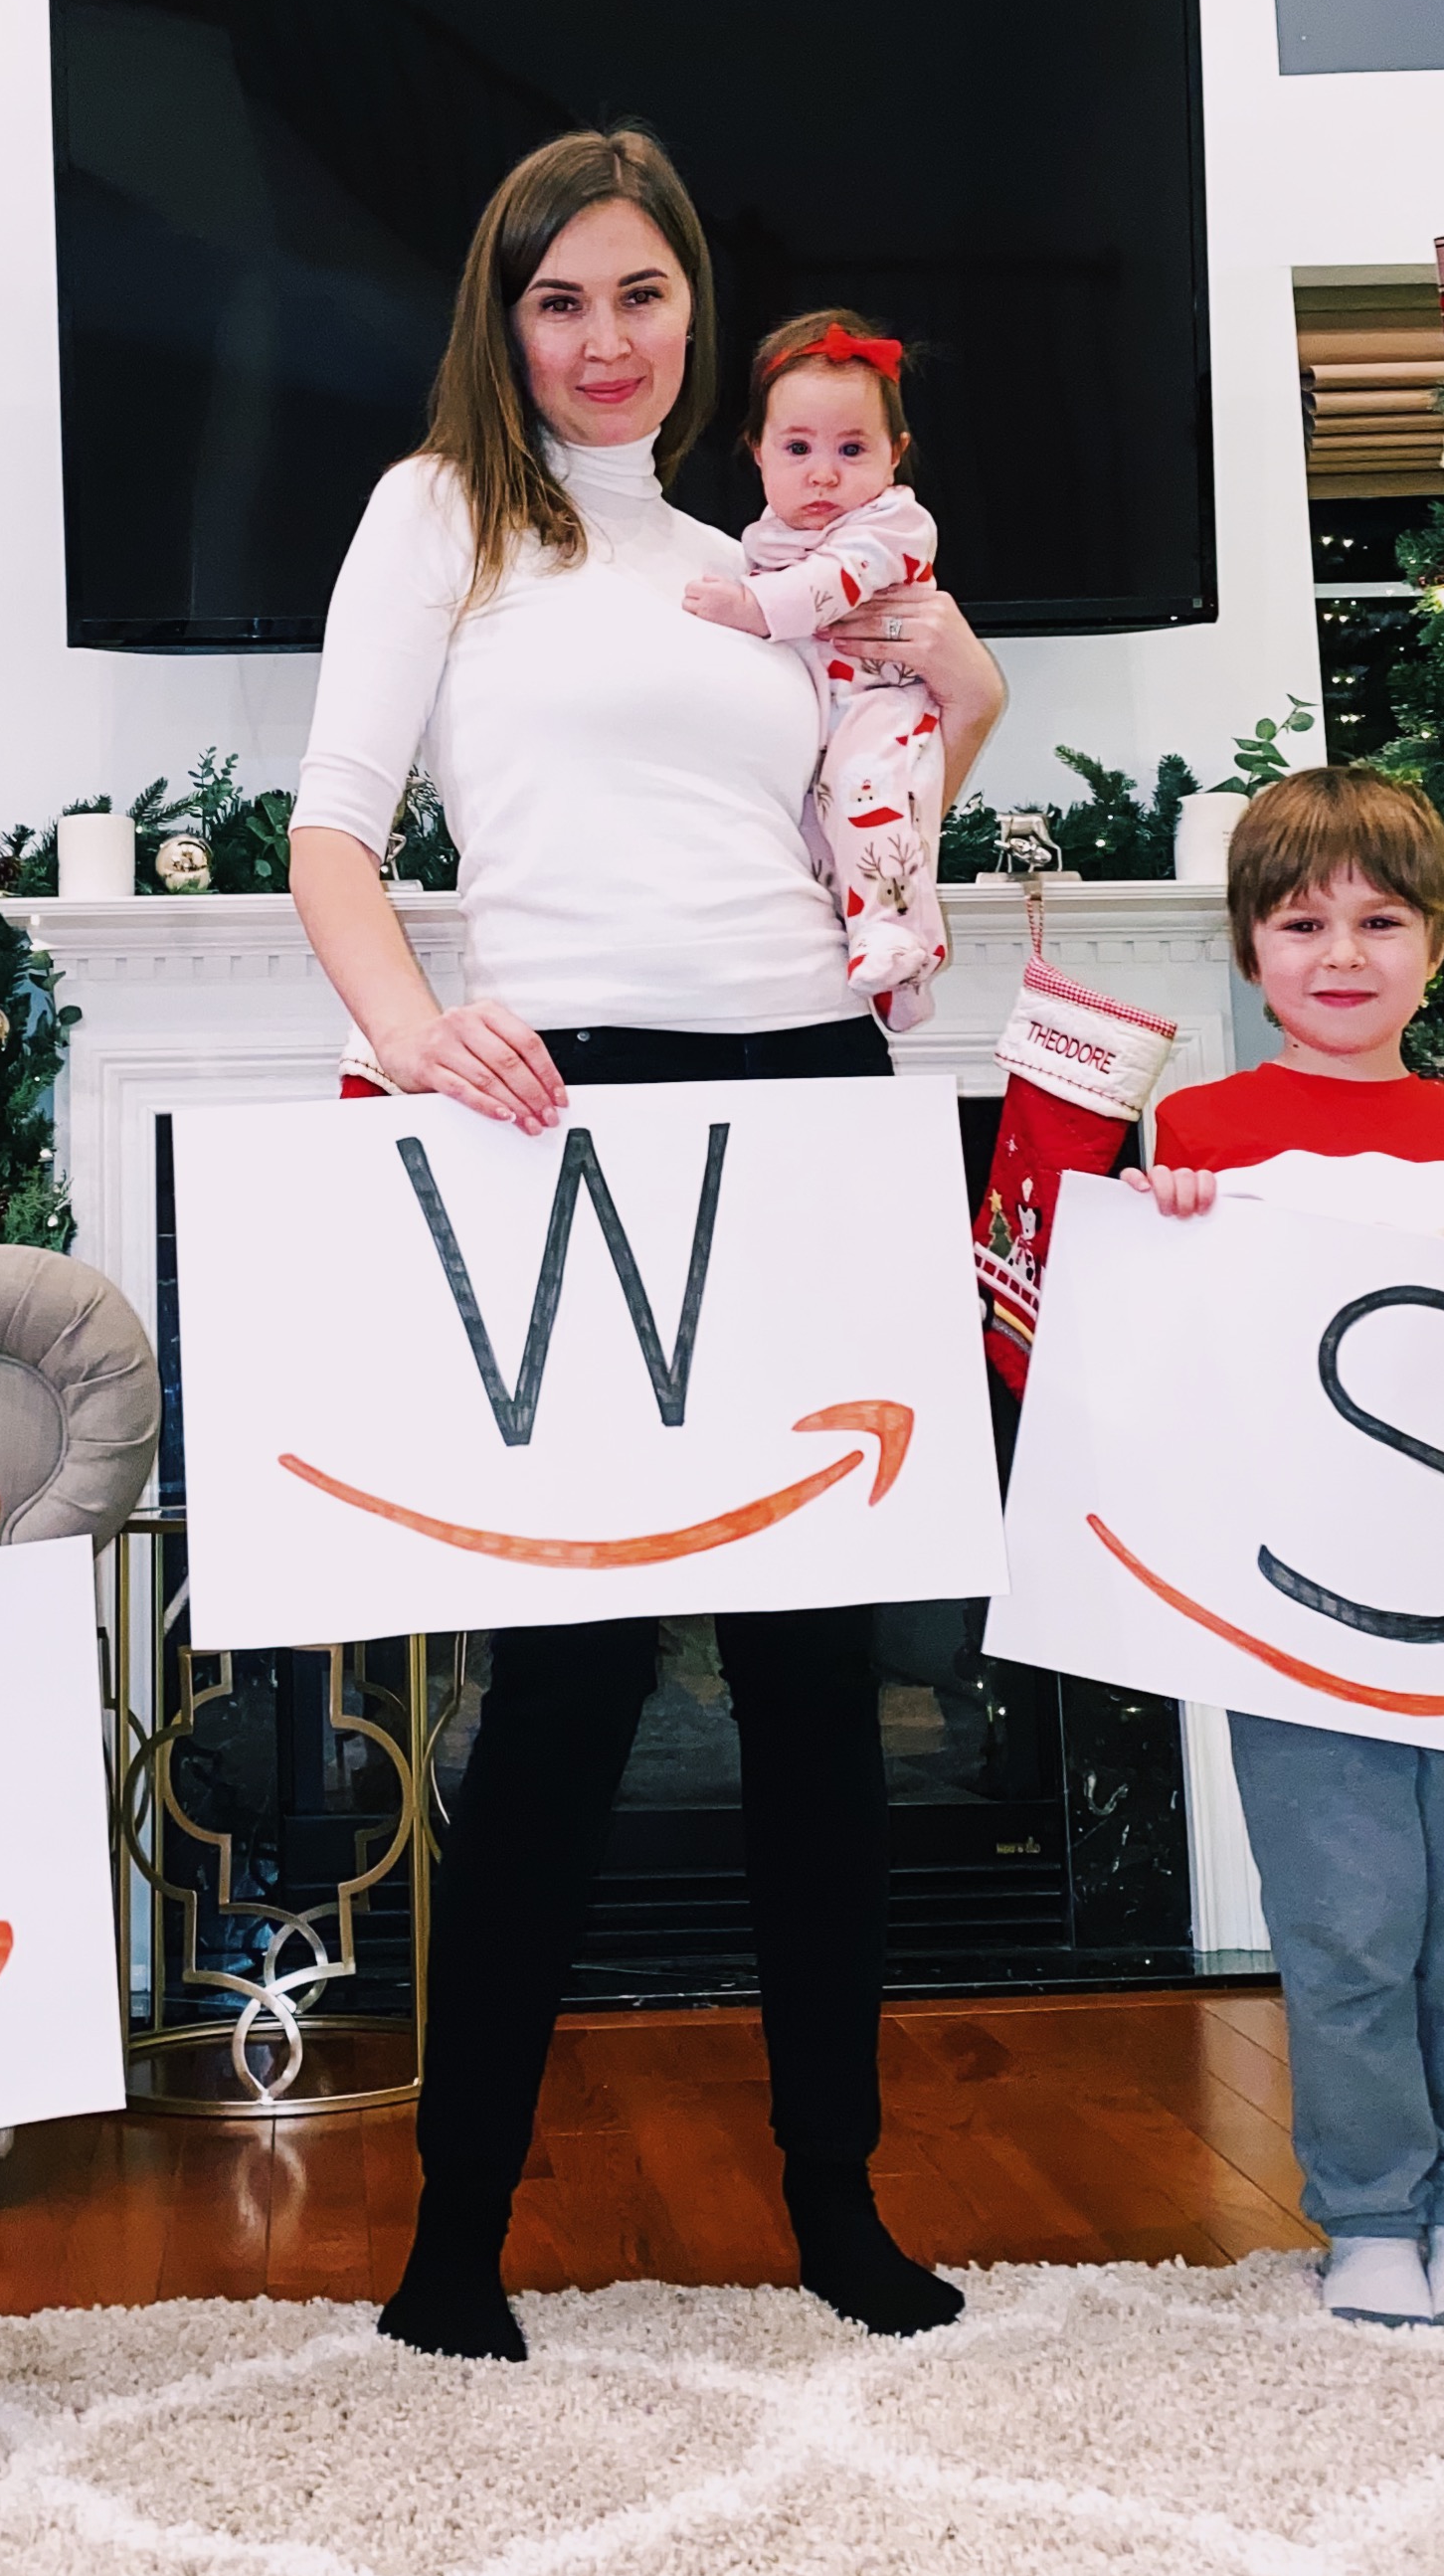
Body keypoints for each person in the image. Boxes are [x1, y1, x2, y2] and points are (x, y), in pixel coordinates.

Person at [288, 126, 1007, 2360]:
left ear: (702, 309)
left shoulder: (760, 554)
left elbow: (871, 815)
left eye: (645, 295)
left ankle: (837, 2206)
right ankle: (452, 2244)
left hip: (809, 1085)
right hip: (568, 1101)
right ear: (503, 322)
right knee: (566, 1691)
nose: (608, 339)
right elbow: (335, 822)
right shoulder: (440, 516)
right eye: (560, 298)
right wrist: (414, 1029)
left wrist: (951, 693)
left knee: (820, 1698)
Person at [1127, 767, 1444, 2327]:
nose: (1341, 951)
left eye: (1380, 919)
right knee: (1342, 1919)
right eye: (1301, 919)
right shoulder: (1198, 1130)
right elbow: (1159, 1360)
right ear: (1251, 945)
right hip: (1292, 1606)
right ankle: (1373, 2209)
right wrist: (1158, 1223)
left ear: (1437, 941)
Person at [681, 308, 947, 1031]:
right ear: (757, 452)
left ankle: (894, 932)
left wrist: (747, 604)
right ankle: (897, 975)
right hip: (813, 725)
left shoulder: (891, 523)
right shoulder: (764, 538)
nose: (824, 472)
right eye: (797, 446)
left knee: (873, 797)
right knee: (818, 847)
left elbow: (831, 588)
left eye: (852, 448)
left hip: (880, 707)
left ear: (896, 455)